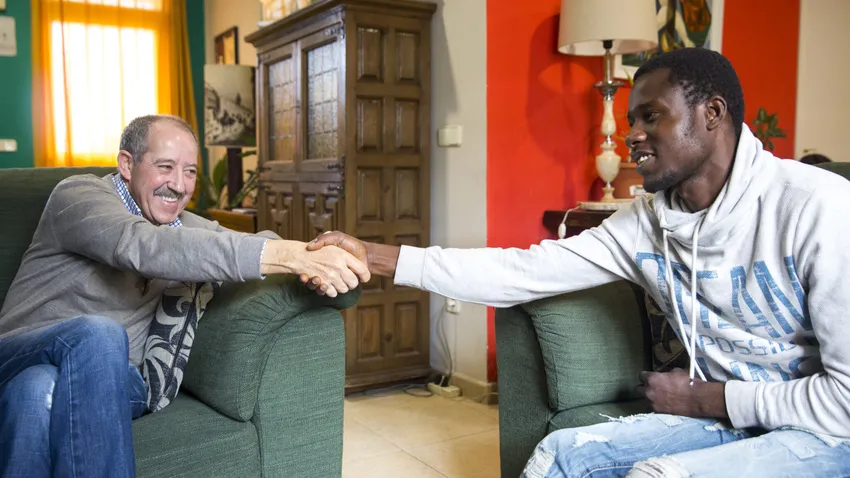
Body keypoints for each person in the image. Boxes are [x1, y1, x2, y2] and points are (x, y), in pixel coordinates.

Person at [303, 48, 850, 476]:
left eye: (651, 116)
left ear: (712, 113)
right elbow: (521, 272)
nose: (631, 135)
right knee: (561, 455)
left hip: (825, 434)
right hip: (729, 420)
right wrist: (376, 256)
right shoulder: (644, 224)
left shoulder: (818, 209)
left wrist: (708, 397)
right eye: (631, 119)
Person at [0, 114, 369, 477]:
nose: (178, 185)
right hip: (19, 351)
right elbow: (141, 245)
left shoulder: (187, 227)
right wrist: (288, 256)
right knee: (95, 337)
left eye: (190, 171)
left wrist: (316, 257)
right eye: (165, 167)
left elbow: (252, 242)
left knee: (33, 391)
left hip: (115, 379)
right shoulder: (78, 196)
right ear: (127, 164)